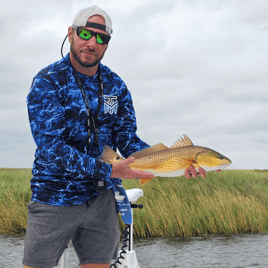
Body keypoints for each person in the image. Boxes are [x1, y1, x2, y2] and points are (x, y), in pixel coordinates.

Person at [23, 5, 206, 268]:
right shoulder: (48, 81)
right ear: (71, 33)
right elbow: (51, 147)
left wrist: (177, 162)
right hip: (55, 196)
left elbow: (127, 139)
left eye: (101, 37)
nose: (91, 42)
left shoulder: (115, 85)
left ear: (107, 43)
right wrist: (110, 170)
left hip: (101, 200)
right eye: (85, 33)